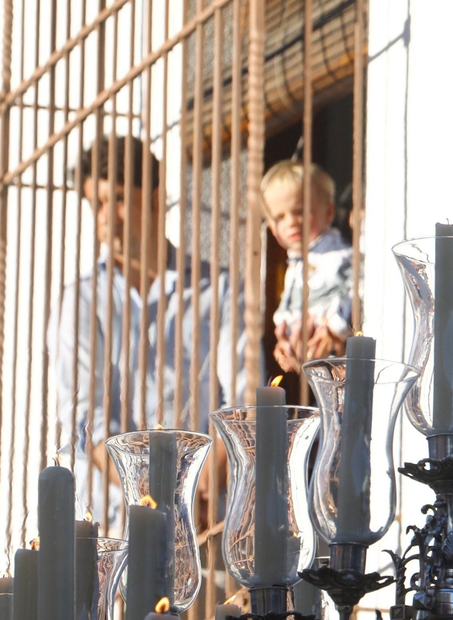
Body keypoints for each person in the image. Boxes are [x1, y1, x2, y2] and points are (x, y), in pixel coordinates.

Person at [50, 134, 245, 512]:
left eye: (118, 200)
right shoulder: (83, 299)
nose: (105, 218)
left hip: (204, 516)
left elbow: (240, 400)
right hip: (115, 522)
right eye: (97, 204)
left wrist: (201, 484)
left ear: (156, 198)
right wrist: (152, 495)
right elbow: (86, 415)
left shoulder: (218, 288)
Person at [261, 159, 354, 373]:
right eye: (279, 217)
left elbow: (358, 289)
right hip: (317, 362)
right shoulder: (296, 262)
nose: (291, 222)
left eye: (300, 211)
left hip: (342, 354)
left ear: (328, 212)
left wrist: (335, 326)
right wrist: (283, 339)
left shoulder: (340, 255)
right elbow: (290, 304)